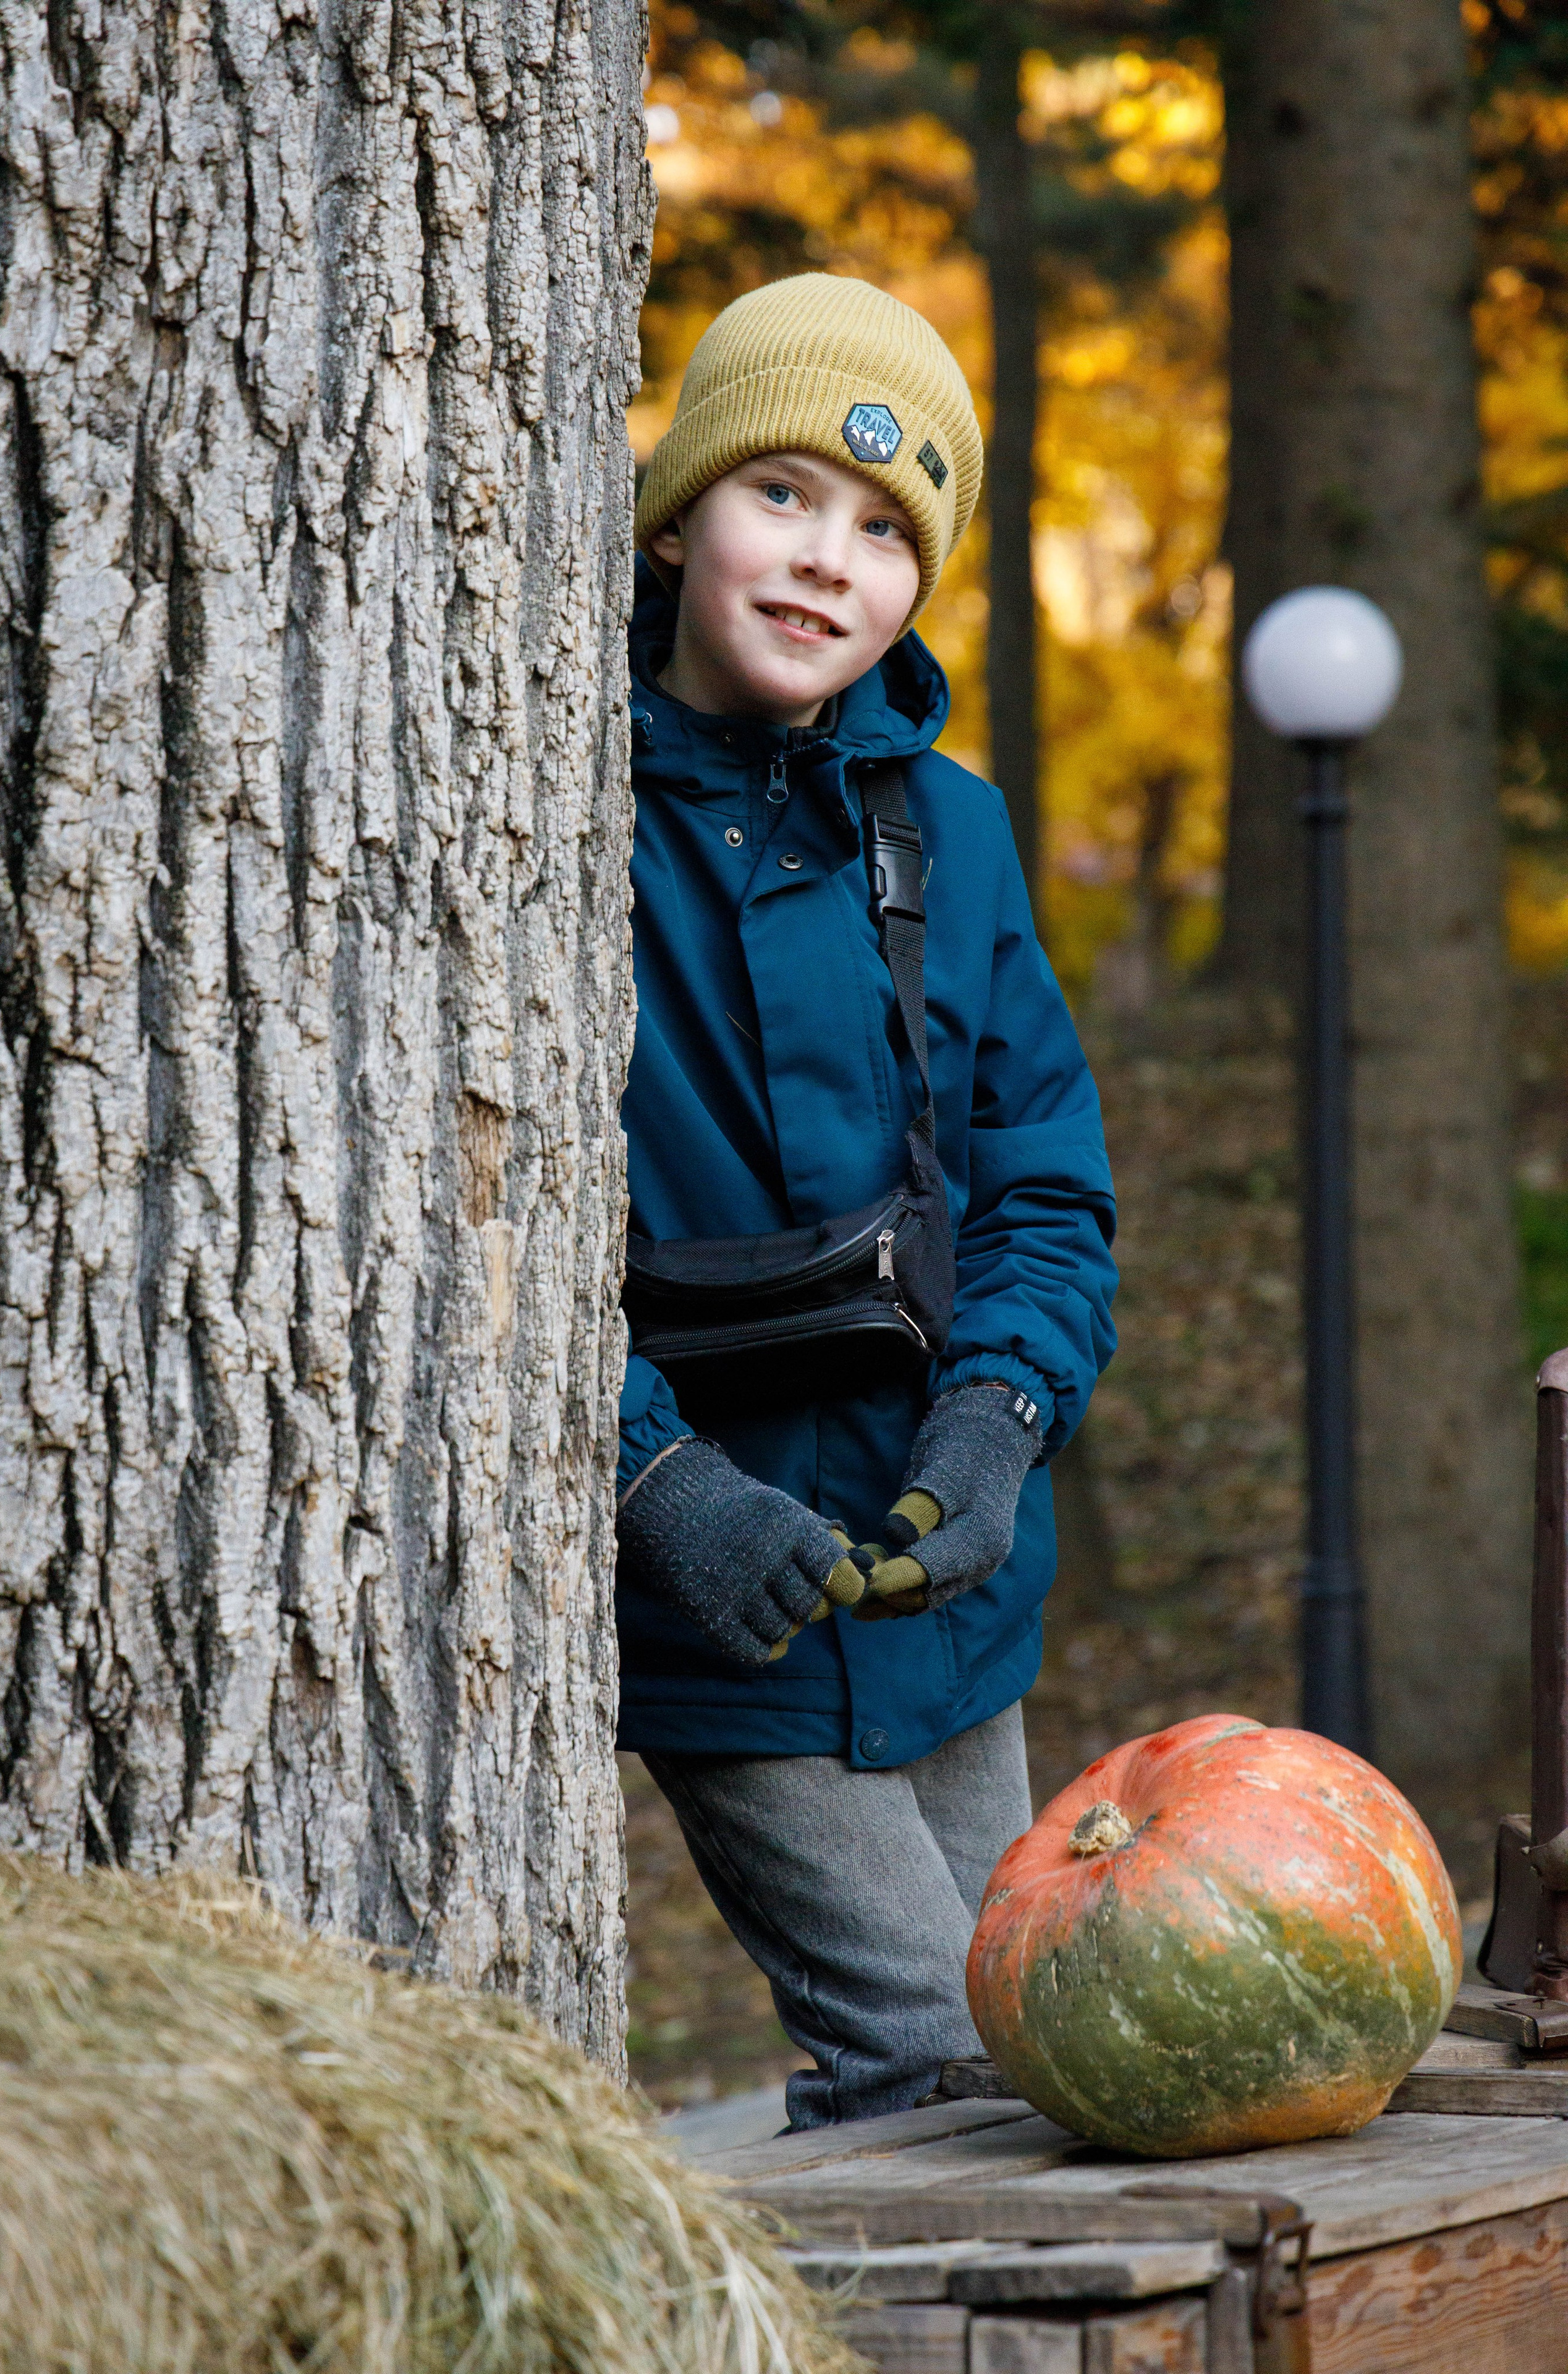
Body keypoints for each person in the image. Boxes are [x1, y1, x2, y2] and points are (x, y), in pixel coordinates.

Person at [616, 274, 1117, 2128]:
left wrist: (998, 1419)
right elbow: (478, 1259)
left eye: (890, 530)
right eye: (784, 495)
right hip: (718, 1611)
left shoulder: (956, 830)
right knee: (938, 2070)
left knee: (1057, 2055)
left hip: (943, 1592)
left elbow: (1049, 1188)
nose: (831, 561)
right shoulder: (545, 810)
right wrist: (653, 1483)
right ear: (679, 512)